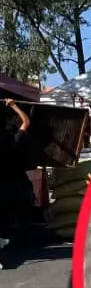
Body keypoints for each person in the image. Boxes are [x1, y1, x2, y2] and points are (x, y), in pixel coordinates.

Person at [1, 99, 35, 267]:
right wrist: (14, 106)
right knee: (23, 210)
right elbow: (26, 122)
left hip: (3, 184)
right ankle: (22, 238)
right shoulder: (15, 141)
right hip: (16, 182)